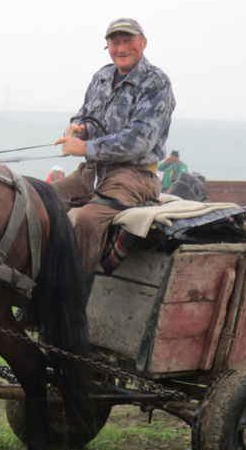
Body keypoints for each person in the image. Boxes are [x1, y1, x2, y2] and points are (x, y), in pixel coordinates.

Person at [52, 18, 175, 272]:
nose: (121, 49)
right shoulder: (102, 76)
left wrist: (85, 148)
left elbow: (139, 140)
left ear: (143, 42)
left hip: (134, 177)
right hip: (91, 173)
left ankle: (74, 296)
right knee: (42, 200)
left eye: (128, 41)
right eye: (114, 42)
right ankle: (36, 282)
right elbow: (84, 113)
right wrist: (76, 127)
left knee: (88, 218)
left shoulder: (156, 83)